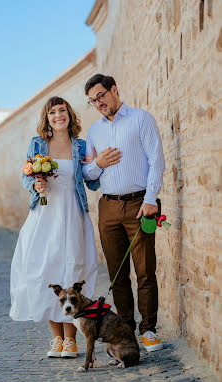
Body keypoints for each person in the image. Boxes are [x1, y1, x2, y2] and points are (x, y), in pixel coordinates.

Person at [9, 96, 99, 358]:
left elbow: (92, 181)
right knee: (44, 272)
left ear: (69, 114)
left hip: (72, 215)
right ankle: (57, 339)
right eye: (52, 112)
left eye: (62, 110)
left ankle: (71, 340)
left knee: (73, 269)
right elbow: (26, 177)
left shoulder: (81, 146)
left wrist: (97, 163)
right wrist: (35, 185)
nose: (58, 115)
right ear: (46, 118)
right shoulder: (38, 144)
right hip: (44, 215)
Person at [82, 74, 165, 352]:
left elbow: (156, 160)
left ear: (114, 90)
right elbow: (88, 173)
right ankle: (127, 328)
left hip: (139, 203)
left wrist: (151, 198)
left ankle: (149, 329)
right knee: (117, 273)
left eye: (101, 96)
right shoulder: (94, 131)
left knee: (145, 270)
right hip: (107, 207)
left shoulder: (141, 119)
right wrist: (99, 164)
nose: (98, 103)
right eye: (93, 101)